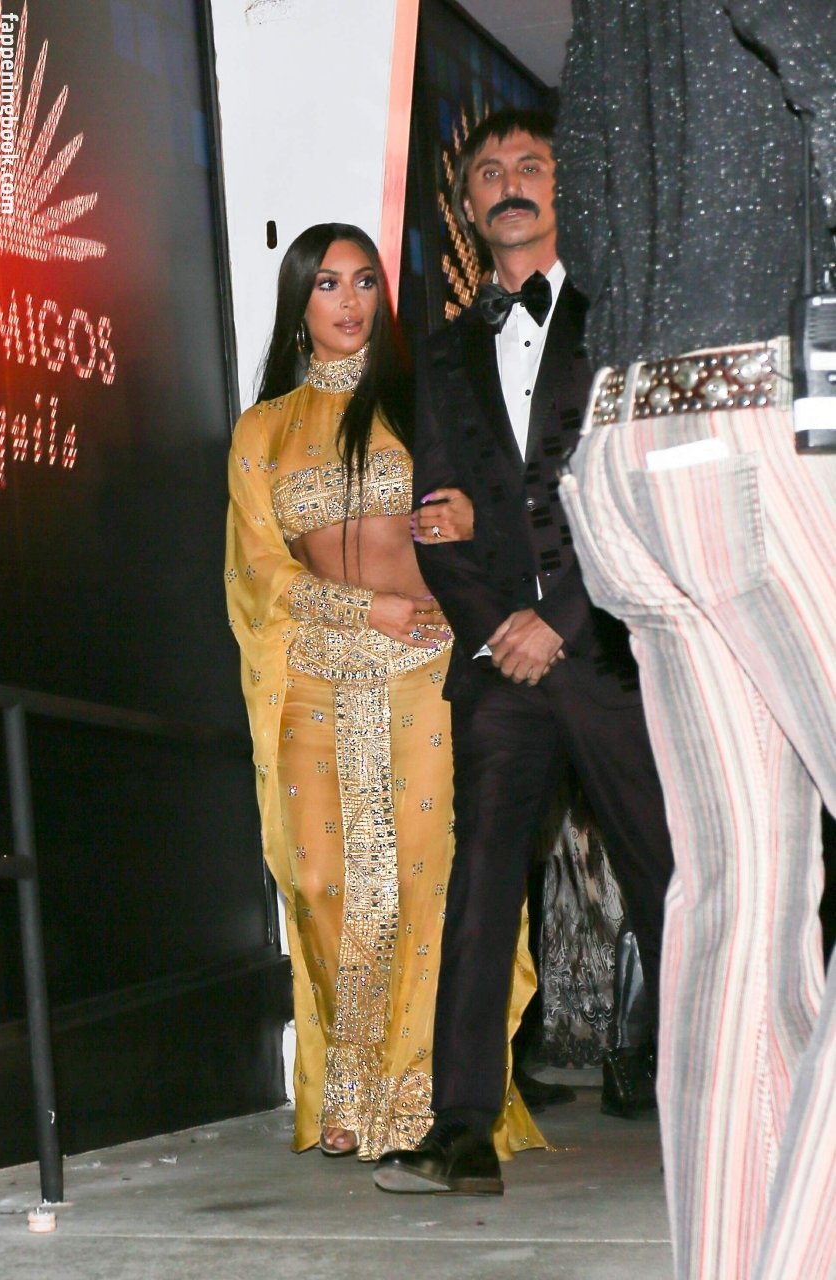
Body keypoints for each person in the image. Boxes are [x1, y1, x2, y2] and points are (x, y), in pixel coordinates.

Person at [554, 4, 835, 1277]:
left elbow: (589, 212)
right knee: (735, 896)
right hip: (759, 421)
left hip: (630, 445)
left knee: (733, 903)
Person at [373, 110, 674, 1196]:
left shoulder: (623, 316)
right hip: (499, 661)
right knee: (480, 885)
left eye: (529, 166)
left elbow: (647, 485)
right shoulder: (443, 349)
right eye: (488, 171)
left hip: (611, 648)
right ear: (465, 205)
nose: (509, 182)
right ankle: (460, 1129)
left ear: (562, 186)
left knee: (668, 877)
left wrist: (566, 618)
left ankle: (726, 1097)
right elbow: (436, 510)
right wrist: (500, 625)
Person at [225, 223, 543, 1163]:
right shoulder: (263, 429)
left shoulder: (424, 401)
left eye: (365, 281)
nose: (349, 301)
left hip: (427, 666)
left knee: (425, 883)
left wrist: (473, 520)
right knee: (320, 882)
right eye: (327, 284)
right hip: (317, 672)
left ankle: (421, 1100)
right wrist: (364, 608)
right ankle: (350, 1083)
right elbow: (257, 570)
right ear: (299, 303)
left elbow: (508, 506)